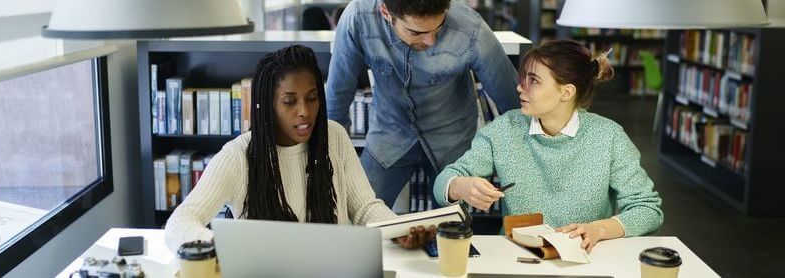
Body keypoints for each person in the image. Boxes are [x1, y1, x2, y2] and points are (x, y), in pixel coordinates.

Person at [164, 45, 434, 252]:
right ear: (267, 105)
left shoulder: (334, 136)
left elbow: (364, 207)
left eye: (312, 98)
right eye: (289, 101)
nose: (304, 112)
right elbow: (179, 224)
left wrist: (398, 230)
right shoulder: (237, 156)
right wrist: (226, 250)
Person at [433, 40, 664, 253]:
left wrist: (599, 230)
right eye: (524, 78)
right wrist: (461, 186)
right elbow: (444, 182)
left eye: (533, 80)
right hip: (518, 259)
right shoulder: (505, 129)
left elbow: (648, 210)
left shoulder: (609, 137)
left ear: (566, 92)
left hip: (586, 261)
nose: (520, 88)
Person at [326, 0, 520, 208]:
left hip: (452, 140)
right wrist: (333, 157)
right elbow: (337, 95)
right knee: (355, 213)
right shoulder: (357, 19)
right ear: (385, 12)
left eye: (439, 27)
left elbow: (512, 100)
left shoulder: (471, 28)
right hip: (389, 135)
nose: (430, 41)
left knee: (451, 229)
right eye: (415, 32)